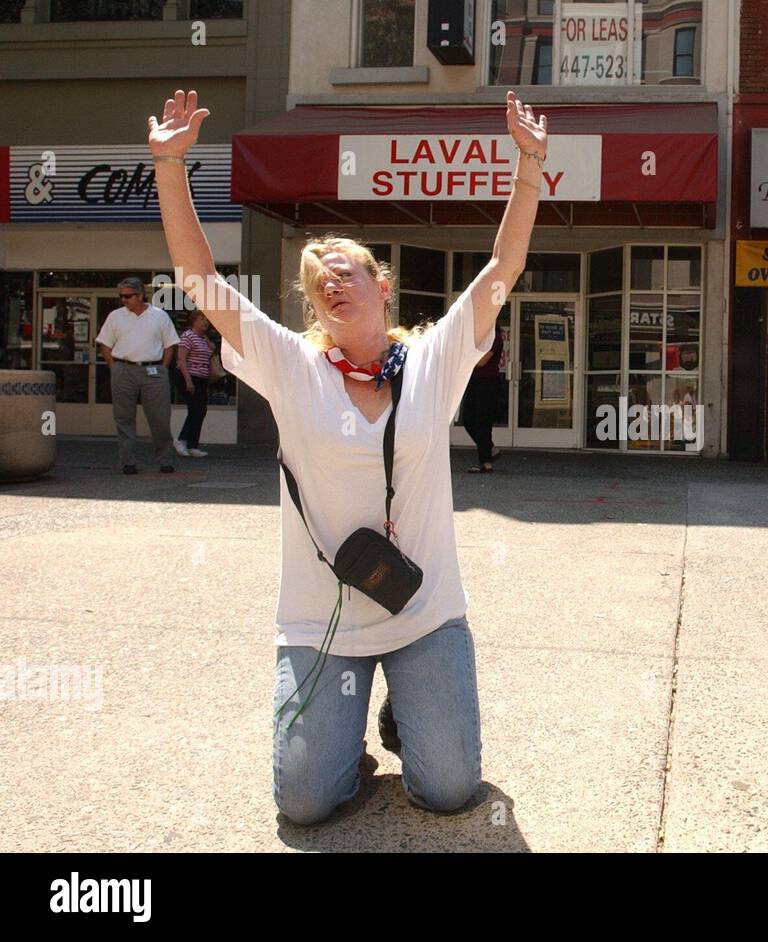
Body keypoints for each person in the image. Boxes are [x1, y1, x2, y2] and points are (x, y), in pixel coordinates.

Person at [149, 88, 548, 824]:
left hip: (423, 611)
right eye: (318, 278)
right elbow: (199, 280)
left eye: (346, 268)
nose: (331, 279)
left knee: (449, 790)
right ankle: (346, 740)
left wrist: (527, 164)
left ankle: (408, 712)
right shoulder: (291, 365)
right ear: (314, 306)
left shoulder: (435, 358)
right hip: (321, 620)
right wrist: (170, 167)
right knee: (304, 802)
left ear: (381, 287)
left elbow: (502, 267)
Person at [95, 276, 180, 475]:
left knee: (160, 418)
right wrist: (114, 367)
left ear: (140, 295)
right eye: (121, 296)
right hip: (123, 369)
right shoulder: (116, 316)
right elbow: (105, 344)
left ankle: (165, 459)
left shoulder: (159, 316)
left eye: (128, 296)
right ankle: (128, 461)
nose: (123, 300)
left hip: (153, 371)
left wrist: (163, 368)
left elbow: (170, 345)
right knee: (124, 418)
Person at [460, 324, 504, 473]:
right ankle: (490, 449)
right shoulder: (479, 337)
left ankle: (486, 462)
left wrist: (467, 357)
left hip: (488, 383)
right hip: (474, 381)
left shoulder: (495, 337)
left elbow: (481, 361)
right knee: (467, 419)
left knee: (482, 422)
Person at [175, 310, 214, 457]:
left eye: (206, 320)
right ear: (193, 321)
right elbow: (182, 359)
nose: (205, 322)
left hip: (202, 379)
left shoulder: (203, 338)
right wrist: (188, 381)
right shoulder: (188, 336)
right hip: (190, 376)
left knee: (201, 411)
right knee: (195, 409)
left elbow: (209, 355)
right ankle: (182, 440)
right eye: (201, 319)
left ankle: (193, 445)